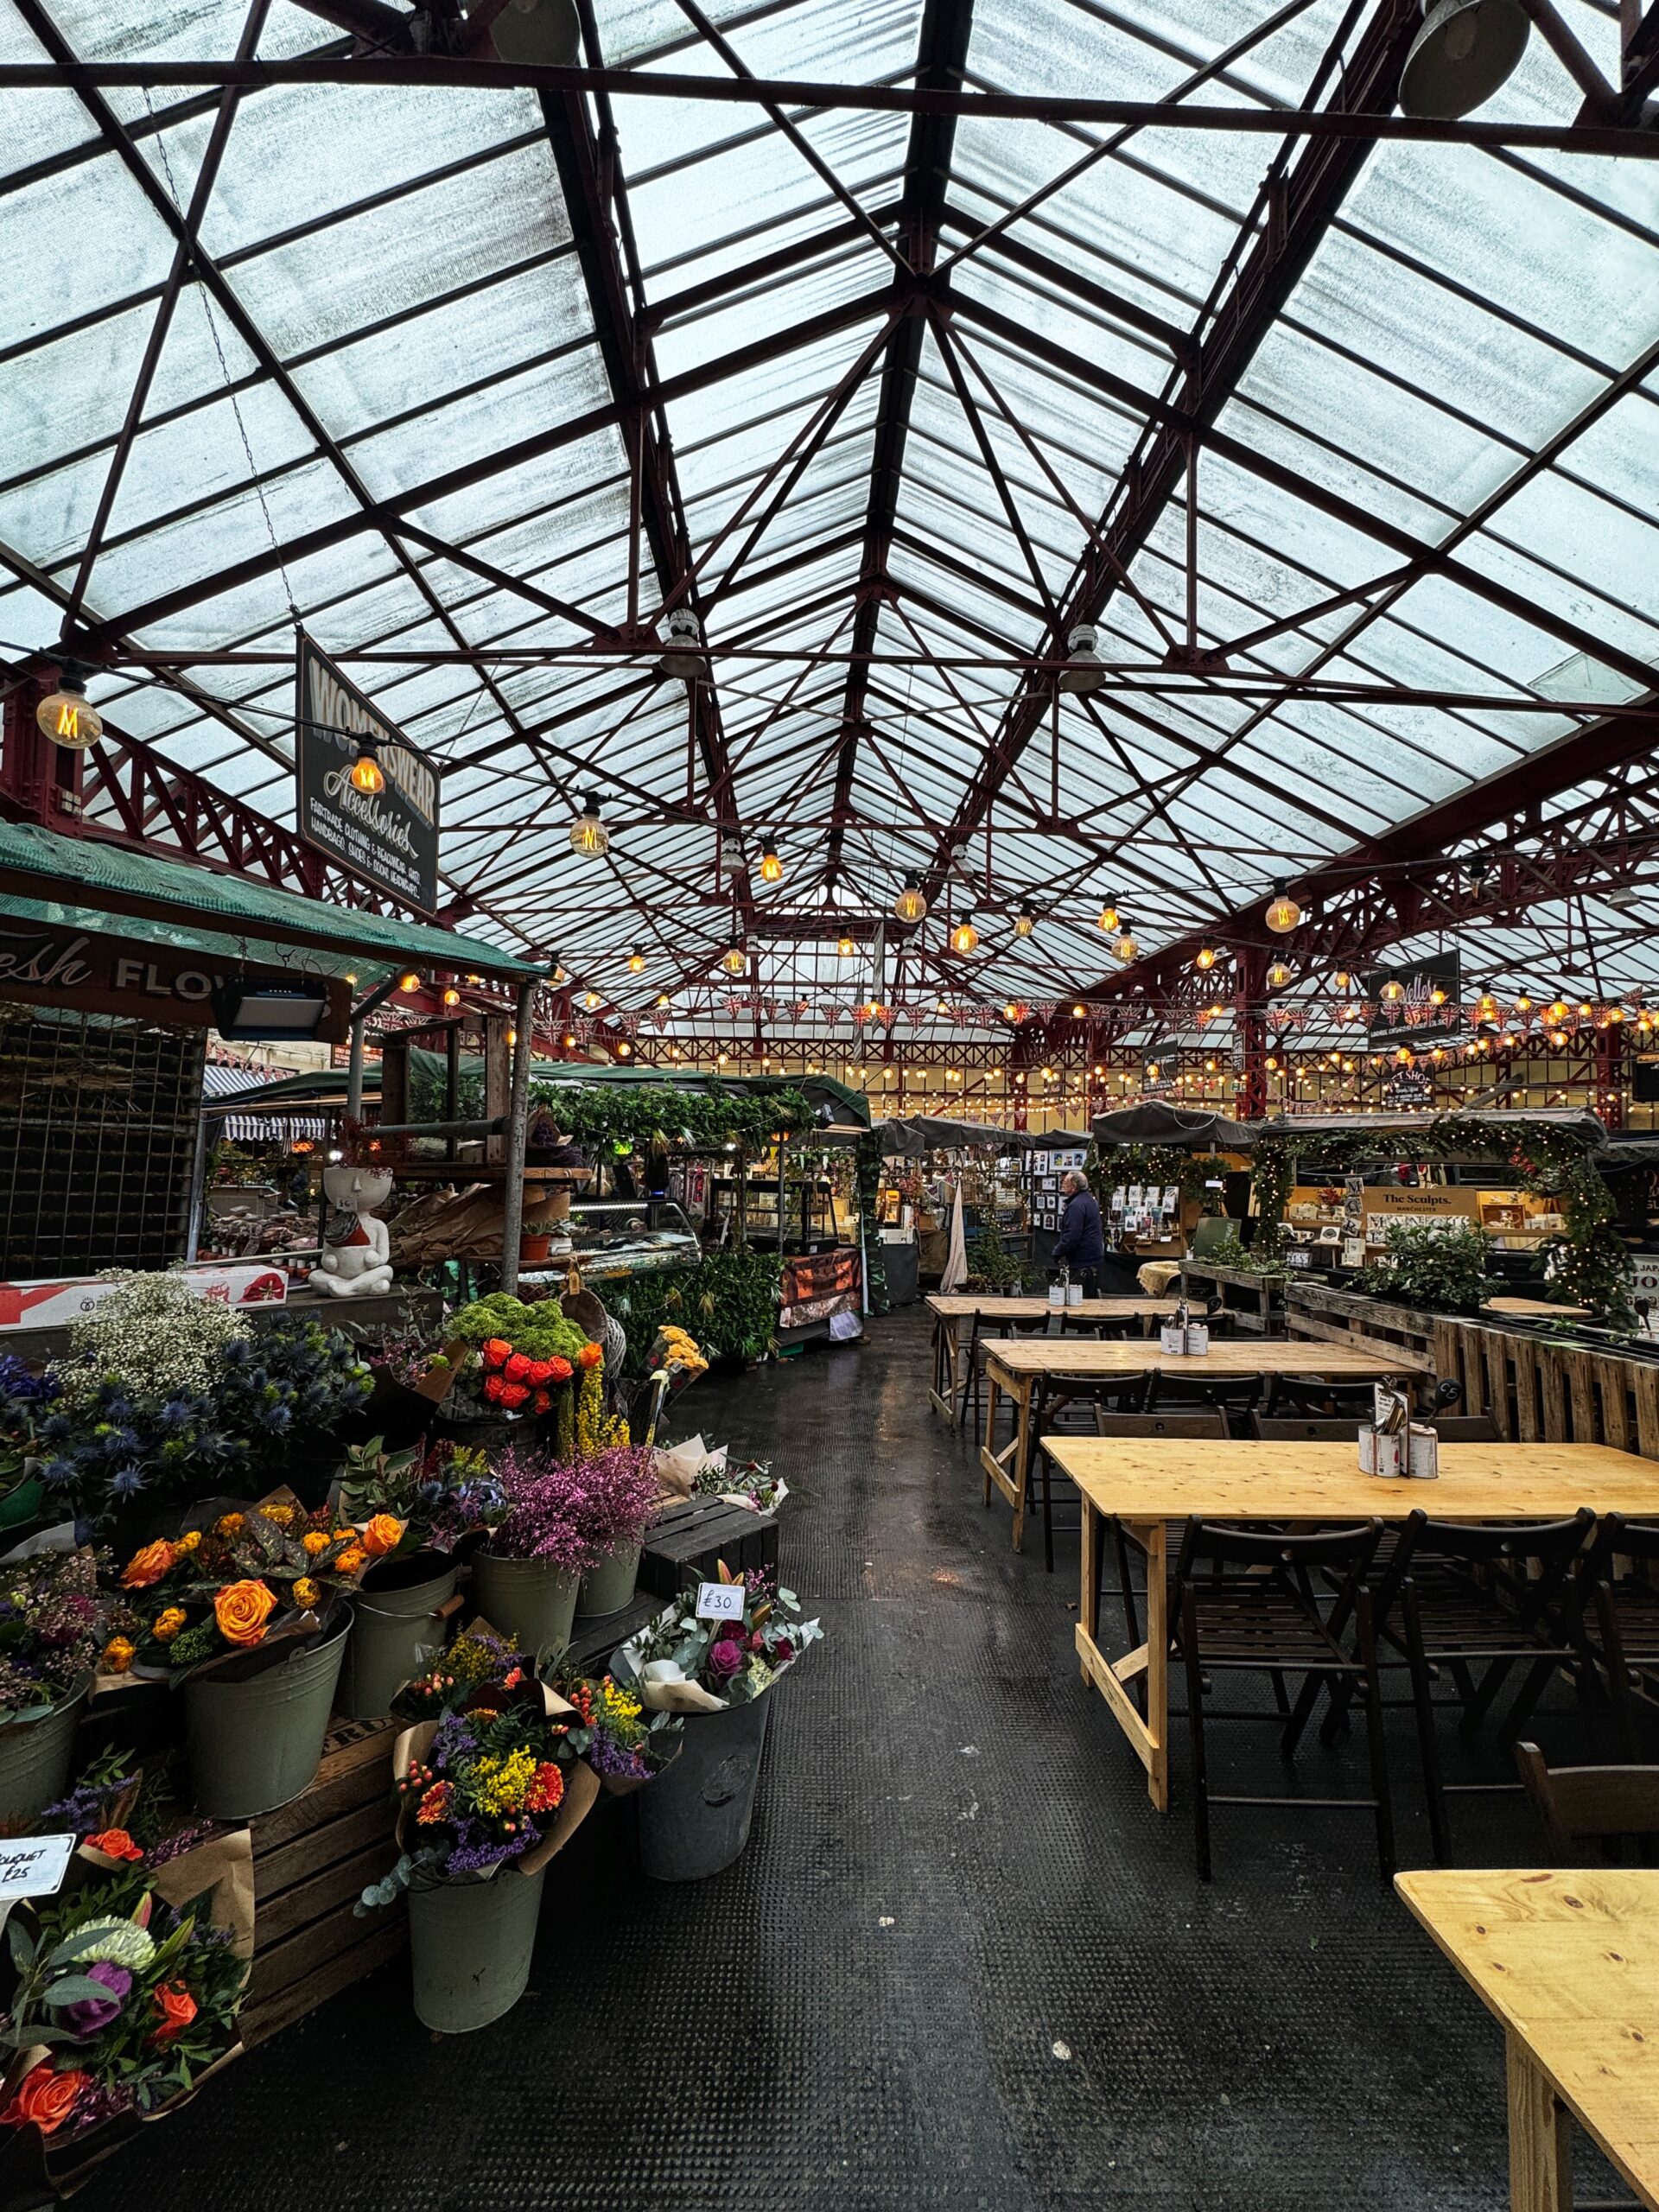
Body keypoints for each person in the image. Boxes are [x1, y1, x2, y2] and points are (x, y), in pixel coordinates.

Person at [1052, 1170, 1104, 1298]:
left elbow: (1072, 1236)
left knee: (1078, 1300)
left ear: (1074, 1186)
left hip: (1082, 1261)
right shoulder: (1090, 1201)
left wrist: (1057, 1252)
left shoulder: (1076, 1206)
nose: (1063, 1184)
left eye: (1065, 1182)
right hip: (1092, 1259)